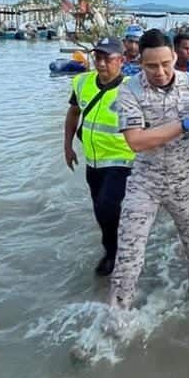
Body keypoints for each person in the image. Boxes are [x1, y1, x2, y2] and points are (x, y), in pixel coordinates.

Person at [77, 30, 189, 341]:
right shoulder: (129, 91)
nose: (161, 72)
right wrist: (182, 126)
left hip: (184, 180)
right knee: (128, 253)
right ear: (140, 62)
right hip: (144, 182)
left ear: (176, 58)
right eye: (152, 66)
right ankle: (114, 325)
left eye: (166, 64)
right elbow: (136, 141)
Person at [63, 36, 134, 276]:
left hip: (123, 160)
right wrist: (68, 145)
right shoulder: (82, 82)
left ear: (121, 61)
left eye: (108, 59)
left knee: (107, 206)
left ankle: (114, 253)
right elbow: (73, 113)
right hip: (93, 160)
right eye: (98, 57)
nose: (101, 63)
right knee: (99, 209)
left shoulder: (132, 88)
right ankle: (114, 244)